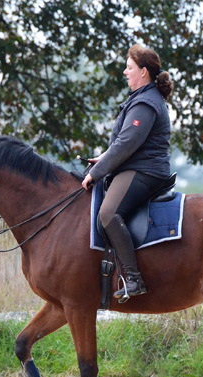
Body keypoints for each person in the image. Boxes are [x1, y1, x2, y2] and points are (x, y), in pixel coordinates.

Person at [82, 44, 174, 302]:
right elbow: (124, 141)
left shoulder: (145, 102)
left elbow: (126, 145)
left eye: (129, 67)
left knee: (108, 213)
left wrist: (97, 172)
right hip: (136, 166)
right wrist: (102, 157)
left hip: (145, 172)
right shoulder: (142, 97)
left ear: (143, 72)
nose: (125, 72)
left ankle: (133, 279)